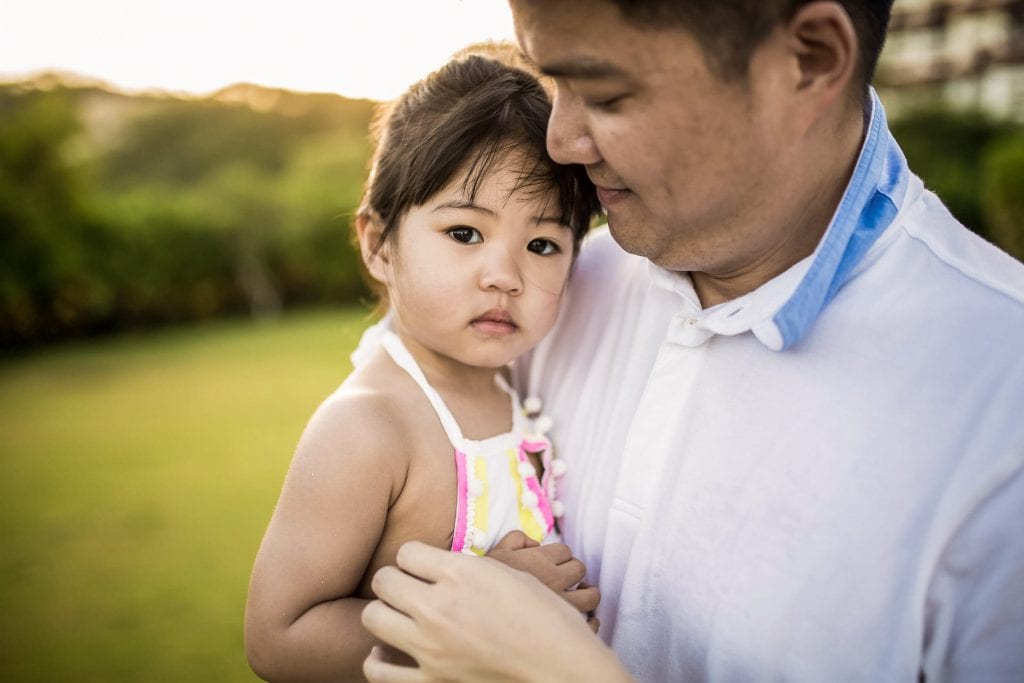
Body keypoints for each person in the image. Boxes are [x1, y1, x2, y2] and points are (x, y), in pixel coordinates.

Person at [360, 1, 1024, 681]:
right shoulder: (553, 289)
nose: (561, 141)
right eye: (554, 84)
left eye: (607, 94)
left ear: (812, 60)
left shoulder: (1003, 417)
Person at [244, 52, 602, 681]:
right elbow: (280, 637)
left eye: (542, 245)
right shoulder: (370, 427)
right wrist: (487, 603)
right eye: (465, 233)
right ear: (380, 245)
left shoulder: (514, 386)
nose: (504, 277)